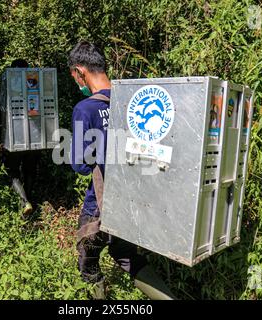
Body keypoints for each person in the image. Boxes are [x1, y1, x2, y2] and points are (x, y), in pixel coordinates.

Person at [68, 40, 176, 300]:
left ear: (80, 71)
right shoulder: (130, 100)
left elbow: (80, 165)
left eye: (74, 77)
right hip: (135, 197)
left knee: (87, 258)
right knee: (124, 253)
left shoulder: (85, 109)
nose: (77, 83)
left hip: (101, 202)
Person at [0, 58, 36, 217]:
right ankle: (30, 199)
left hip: (14, 136)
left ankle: (24, 201)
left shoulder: (6, 86)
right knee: (29, 169)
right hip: (35, 137)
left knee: (13, 170)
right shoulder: (34, 85)